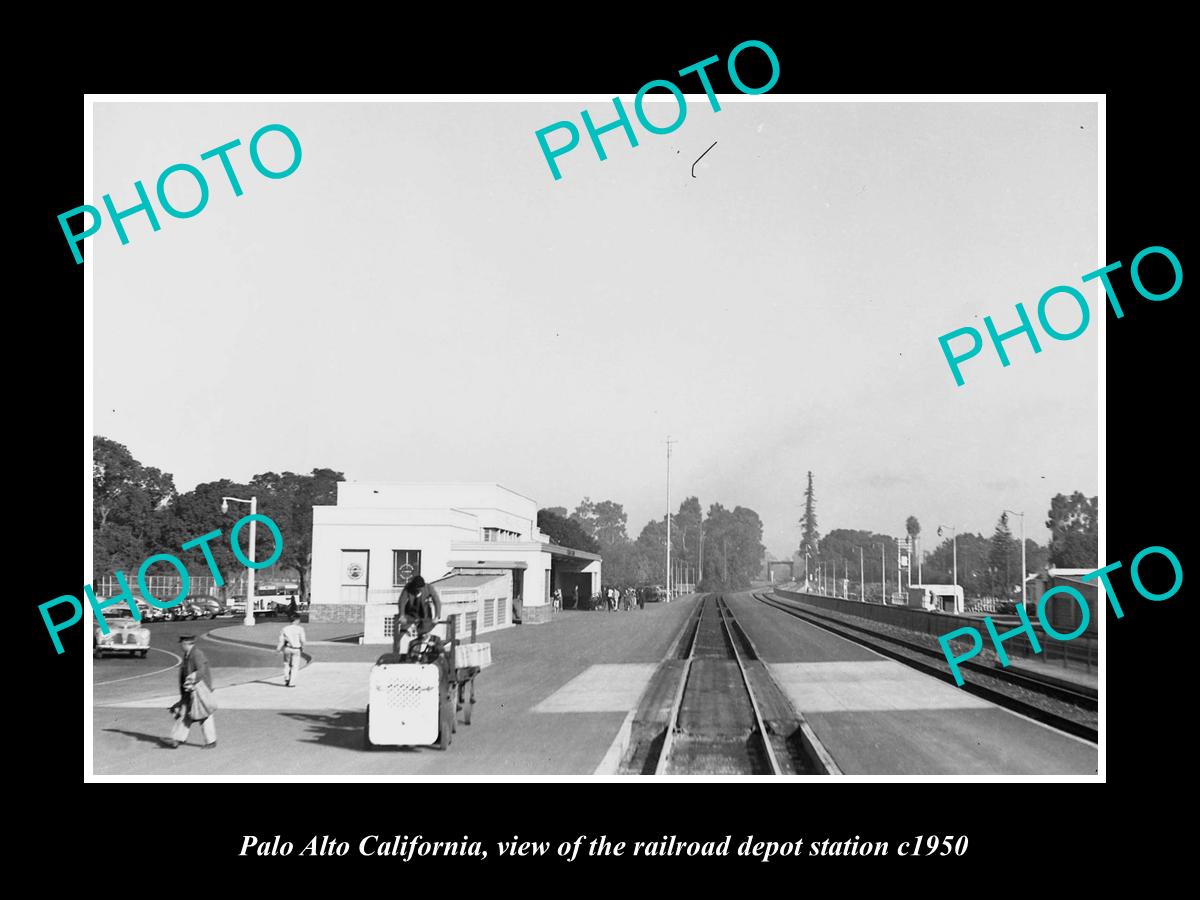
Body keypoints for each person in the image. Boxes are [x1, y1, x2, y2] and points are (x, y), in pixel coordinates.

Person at [168, 635, 216, 749]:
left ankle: (211, 741)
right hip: (191, 690)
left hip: (200, 690)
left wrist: (191, 679)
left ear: (186, 643)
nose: (180, 646)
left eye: (182, 643)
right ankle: (178, 739)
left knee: (204, 714)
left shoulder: (197, 654)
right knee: (186, 713)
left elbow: (201, 671)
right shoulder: (188, 654)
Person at [392, 575, 442, 656]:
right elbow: (402, 601)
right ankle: (401, 654)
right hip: (410, 614)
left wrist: (437, 616)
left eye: (420, 588)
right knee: (403, 634)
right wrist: (402, 615)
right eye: (417, 589)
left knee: (424, 634)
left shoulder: (429, 587)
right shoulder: (408, 588)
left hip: (425, 615)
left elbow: (436, 601)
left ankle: (421, 653)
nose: (418, 590)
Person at [276, 614, 307, 687]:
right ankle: (292, 682)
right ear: (297, 620)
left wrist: (278, 649)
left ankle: (286, 677)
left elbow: (281, 641)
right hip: (296, 648)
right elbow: (303, 640)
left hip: (287, 648)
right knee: (295, 666)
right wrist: (302, 646)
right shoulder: (300, 629)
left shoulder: (285, 628)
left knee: (286, 663)